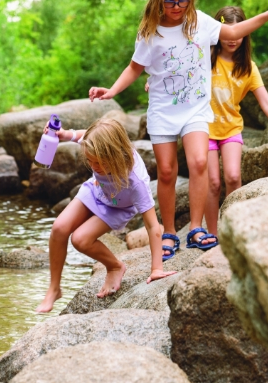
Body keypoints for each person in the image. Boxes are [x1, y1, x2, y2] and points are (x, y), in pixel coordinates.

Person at [88, 0, 268, 259]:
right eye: (170, 1)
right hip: (163, 111)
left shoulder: (199, 22)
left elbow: (233, 30)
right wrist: (111, 91)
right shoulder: (150, 32)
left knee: (199, 163)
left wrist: (267, 15)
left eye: (183, 0)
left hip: (196, 109)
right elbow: (135, 67)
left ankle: (196, 228)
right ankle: (169, 231)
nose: (176, 7)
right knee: (168, 172)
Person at [35, 117, 176, 314]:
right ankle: (54, 289)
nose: (93, 166)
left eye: (98, 163)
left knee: (80, 239)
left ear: (115, 156)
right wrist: (65, 134)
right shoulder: (97, 145)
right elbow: (84, 135)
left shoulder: (135, 182)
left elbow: (153, 226)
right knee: (59, 228)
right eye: (90, 161)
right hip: (96, 190)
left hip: (119, 206)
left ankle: (115, 266)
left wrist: (156, 269)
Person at [205, 6, 268, 237]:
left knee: (233, 177)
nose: (233, 39)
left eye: (239, 34)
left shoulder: (248, 67)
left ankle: (232, 231)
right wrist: (156, 83)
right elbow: (179, 72)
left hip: (231, 129)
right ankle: (213, 234)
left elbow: (266, 103)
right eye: (229, 33)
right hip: (204, 129)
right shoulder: (206, 59)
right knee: (213, 183)